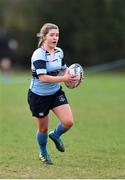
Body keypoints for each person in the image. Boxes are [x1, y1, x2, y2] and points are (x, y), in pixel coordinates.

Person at [27, 23, 77, 165]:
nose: (55, 38)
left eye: (57, 35)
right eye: (52, 35)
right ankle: (43, 152)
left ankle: (55, 135)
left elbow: (64, 69)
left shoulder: (59, 52)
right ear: (44, 37)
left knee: (68, 122)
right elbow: (43, 78)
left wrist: (72, 78)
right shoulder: (39, 54)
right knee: (43, 128)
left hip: (55, 93)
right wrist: (64, 79)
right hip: (38, 96)